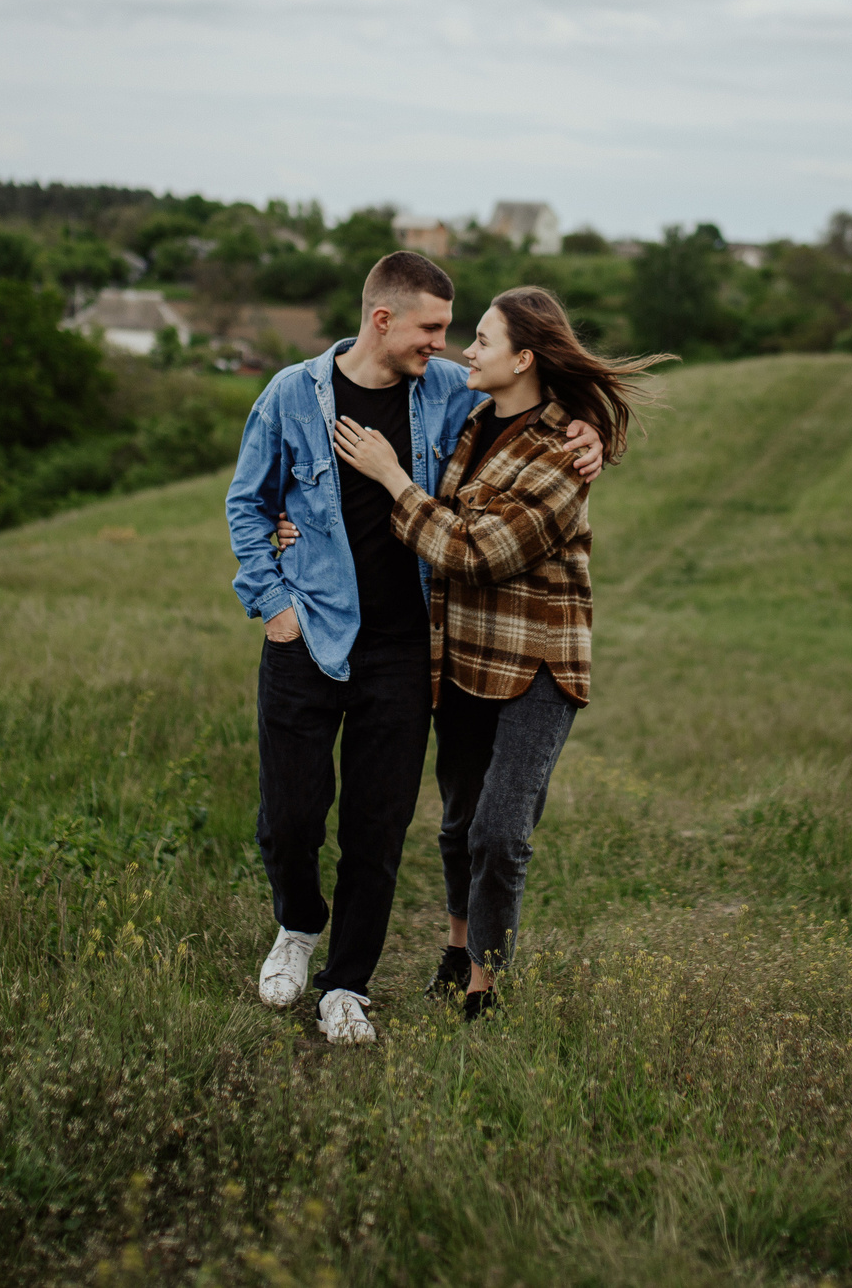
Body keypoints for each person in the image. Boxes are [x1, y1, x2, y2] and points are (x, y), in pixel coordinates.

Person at [224, 253, 602, 1045]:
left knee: (379, 825)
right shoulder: (294, 393)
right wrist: (273, 604)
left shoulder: (442, 394)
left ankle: (347, 984)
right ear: (382, 319)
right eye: (434, 327)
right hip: (308, 637)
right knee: (289, 819)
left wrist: (587, 425)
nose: (450, 344)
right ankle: (297, 925)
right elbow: (248, 502)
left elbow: (524, 405)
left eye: (459, 328)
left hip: (406, 650)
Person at [330, 285, 668, 1019]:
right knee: (456, 825)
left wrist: (390, 477)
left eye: (480, 339)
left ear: (524, 357)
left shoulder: (560, 458)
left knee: (499, 830)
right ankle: (457, 948)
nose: (464, 351)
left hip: (537, 663)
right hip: (463, 659)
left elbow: (475, 551)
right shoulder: (475, 420)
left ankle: (489, 984)